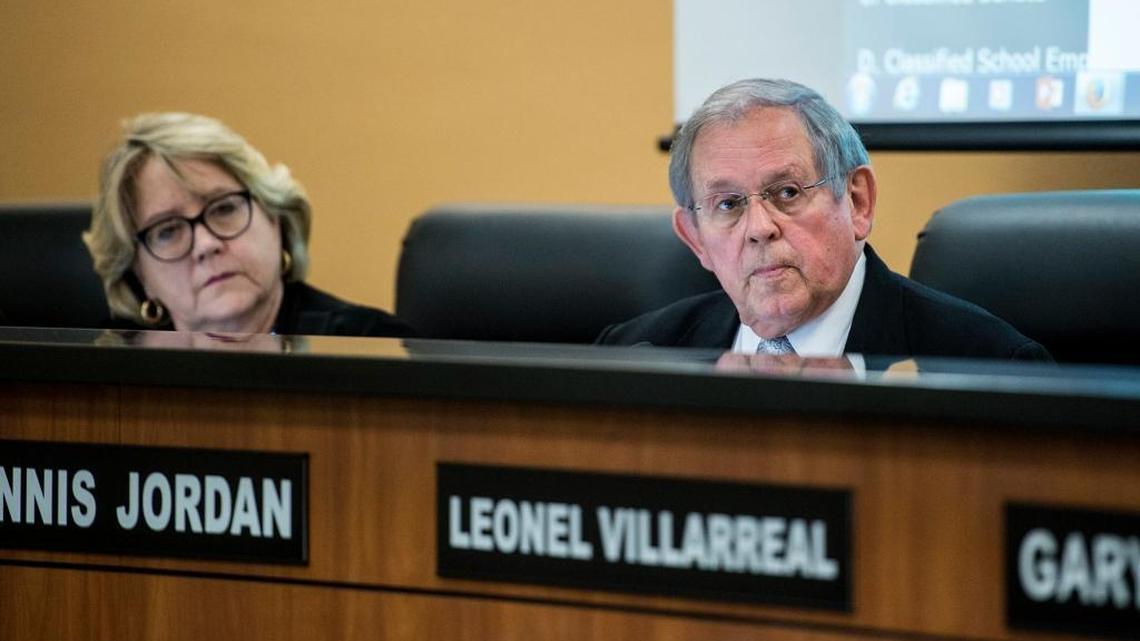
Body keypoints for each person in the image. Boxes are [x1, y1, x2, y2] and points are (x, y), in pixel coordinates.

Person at [597, 79, 1049, 362]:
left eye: (787, 192)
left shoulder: (988, 364)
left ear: (857, 201)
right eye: (728, 204)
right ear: (695, 239)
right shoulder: (633, 355)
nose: (759, 228)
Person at [84, 112, 414, 337]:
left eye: (224, 208)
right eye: (168, 230)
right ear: (140, 273)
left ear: (274, 216)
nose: (205, 245)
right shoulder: (103, 376)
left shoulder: (370, 346)